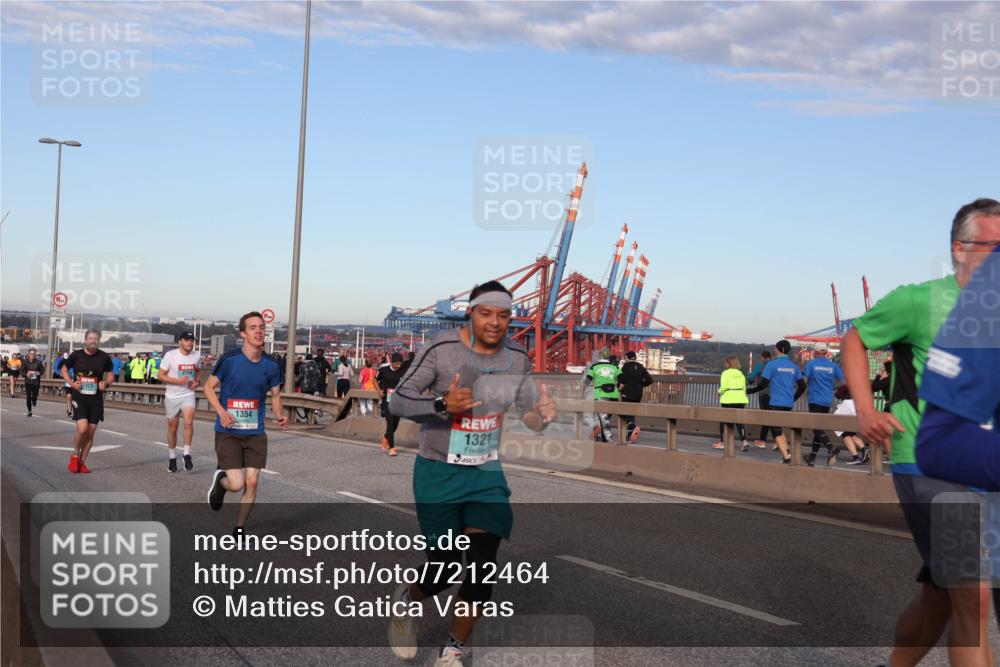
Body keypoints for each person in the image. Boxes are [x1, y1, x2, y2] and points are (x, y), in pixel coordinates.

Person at [841, 197, 1000, 666]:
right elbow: (856, 338)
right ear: (960, 249)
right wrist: (865, 412)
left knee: (941, 595)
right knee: (973, 597)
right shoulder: (918, 300)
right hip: (929, 461)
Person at [386, 280, 556, 666]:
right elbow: (399, 400)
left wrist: (542, 417)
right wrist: (443, 403)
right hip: (438, 471)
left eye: (503, 314)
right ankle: (408, 599)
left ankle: (452, 652)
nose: (495, 322)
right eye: (486, 313)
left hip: (485, 471)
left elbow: (529, 412)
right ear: (471, 312)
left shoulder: (517, 357)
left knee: (483, 563)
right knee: (445, 567)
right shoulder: (441, 348)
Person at [205, 311, 287, 534]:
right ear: (243, 333)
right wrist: (221, 411)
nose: (259, 331)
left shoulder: (271, 365)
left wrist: (279, 414)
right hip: (228, 430)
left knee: (252, 482)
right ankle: (222, 482)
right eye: (253, 327)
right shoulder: (229, 360)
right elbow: (208, 387)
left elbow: (276, 395)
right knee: (237, 484)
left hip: (255, 432)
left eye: (262, 327)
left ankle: (239, 528)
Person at [61, 329, 115, 474]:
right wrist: (72, 385)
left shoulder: (104, 357)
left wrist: (106, 383)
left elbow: (111, 375)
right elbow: (64, 370)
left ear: (99, 341)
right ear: (85, 340)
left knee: (90, 433)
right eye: (90, 338)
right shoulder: (76, 355)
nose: (93, 341)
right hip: (80, 397)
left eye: (96, 339)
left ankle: (82, 462)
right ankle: (74, 455)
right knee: (82, 428)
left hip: (96, 399)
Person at [747, 340, 805, 464]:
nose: (773, 350)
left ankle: (786, 457)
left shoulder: (772, 365)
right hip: (788, 404)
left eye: (775, 348)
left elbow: (762, 385)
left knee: (776, 431)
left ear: (778, 350)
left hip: (775, 402)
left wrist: (749, 391)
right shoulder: (793, 366)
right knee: (778, 428)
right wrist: (793, 398)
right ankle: (787, 451)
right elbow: (802, 386)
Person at [158, 331, 202, 473]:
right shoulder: (171, 356)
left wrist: (197, 382)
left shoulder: (196, 356)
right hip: (172, 396)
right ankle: (172, 458)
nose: (190, 342)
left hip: (188, 394)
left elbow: (198, 371)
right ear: (180, 342)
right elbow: (160, 375)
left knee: (188, 422)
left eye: (192, 340)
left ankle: (187, 454)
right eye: (187, 340)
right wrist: (176, 381)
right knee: (173, 427)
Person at [802, 343, 845, 466]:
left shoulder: (811, 364)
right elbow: (843, 382)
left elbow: (804, 380)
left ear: (815, 352)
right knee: (819, 427)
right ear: (826, 353)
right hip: (827, 400)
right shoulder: (833, 366)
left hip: (815, 399)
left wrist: (806, 389)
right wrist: (831, 387)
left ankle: (830, 447)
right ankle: (812, 457)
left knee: (816, 427)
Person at [585, 349, 621, 443]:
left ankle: (609, 441)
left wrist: (583, 390)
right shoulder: (615, 367)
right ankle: (605, 439)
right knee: (605, 418)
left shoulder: (595, 367)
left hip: (601, 394)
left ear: (600, 356)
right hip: (614, 396)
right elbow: (622, 380)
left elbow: (587, 381)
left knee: (604, 419)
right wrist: (618, 387)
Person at [714, 356, 750, 452]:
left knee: (724, 421)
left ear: (728, 364)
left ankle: (723, 442)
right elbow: (744, 389)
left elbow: (723, 387)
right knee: (739, 422)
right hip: (740, 399)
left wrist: (718, 392)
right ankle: (744, 441)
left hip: (728, 399)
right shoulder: (741, 374)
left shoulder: (725, 373)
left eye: (726, 363)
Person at [375, 352, 406, 456]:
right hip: (386, 401)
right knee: (390, 422)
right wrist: (379, 391)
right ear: (392, 362)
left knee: (396, 424)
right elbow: (374, 380)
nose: (398, 366)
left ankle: (386, 437)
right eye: (396, 364)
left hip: (398, 400)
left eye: (400, 364)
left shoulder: (403, 371)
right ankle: (392, 448)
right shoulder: (384, 370)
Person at [618, 351, 653, 443]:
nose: (625, 359)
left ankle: (633, 427)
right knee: (631, 413)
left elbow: (622, 379)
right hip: (638, 394)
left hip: (627, 393)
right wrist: (642, 385)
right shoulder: (641, 367)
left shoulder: (625, 367)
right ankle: (630, 435)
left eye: (625, 358)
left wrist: (619, 388)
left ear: (628, 357)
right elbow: (650, 380)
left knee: (624, 412)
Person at [832, 386, 869, 465]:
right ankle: (864, 449)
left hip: (847, 407)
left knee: (844, 433)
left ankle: (855, 457)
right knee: (851, 433)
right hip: (858, 407)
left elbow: (837, 395)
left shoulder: (848, 384)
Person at [748, 350, 773, 446]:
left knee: (765, 416)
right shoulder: (775, 364)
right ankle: (776, 441)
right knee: (774, 417)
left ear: (762, 357)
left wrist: (750, 380)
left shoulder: (761, 365)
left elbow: (751, 378)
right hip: (776, 394)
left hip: (764, 393)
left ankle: (762, 440)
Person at [21, 347, 44, 417]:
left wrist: (39, 373)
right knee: (28, 396)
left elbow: (43, 370)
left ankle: (34, 400)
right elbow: (22, 371)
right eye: (31, 354)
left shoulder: (38, 362)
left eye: (34, 354)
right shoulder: (25, 362)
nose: (32, 355)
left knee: (35, 395)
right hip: (28, 381)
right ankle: (29, 411)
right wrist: (26, 374)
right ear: (28, 354)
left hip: (36, 382)